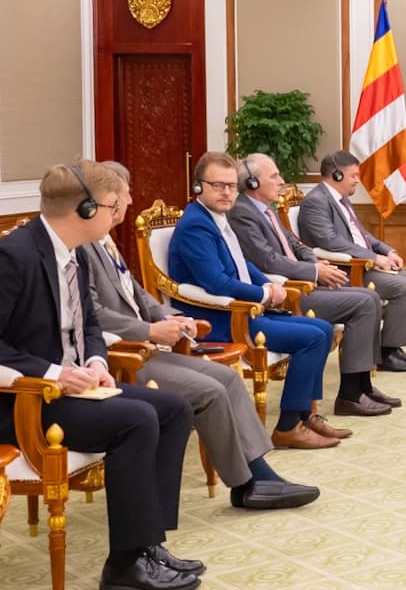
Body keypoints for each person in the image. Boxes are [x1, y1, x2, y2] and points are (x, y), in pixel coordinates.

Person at [0, 161, 199, 590]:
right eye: (113, 205)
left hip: (67, 390)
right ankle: (125, 564)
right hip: (12, 403)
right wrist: (54, 373)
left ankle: (148, 544)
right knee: (136, 420)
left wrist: (97, 361)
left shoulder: (76, 251)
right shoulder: (8, 259)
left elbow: (89, 324)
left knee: (173, 409)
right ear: (85, 209)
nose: (118, 213)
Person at [82, 163, 318, 510]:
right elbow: (94, 313)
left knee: (228, 378)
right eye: (126, 194)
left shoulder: (105, 242)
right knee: (211, 390)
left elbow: (137, 293)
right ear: (105, 200)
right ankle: (247, 484)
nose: (131, 201)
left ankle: (261, 476)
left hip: (151, 343)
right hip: (123, 354)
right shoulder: (83, 247)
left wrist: (168, 316)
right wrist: (150, 329)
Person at [168, 152, 340, 451]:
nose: (226, 192)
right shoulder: (196, 225)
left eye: (231, 186)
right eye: (218, 185)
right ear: (198, 186)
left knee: (323, 329)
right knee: (312, 338)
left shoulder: (216, 218)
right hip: (221, 320)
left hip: (247, 311)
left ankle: (305, 416)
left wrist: (269, 284)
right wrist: (263, 294)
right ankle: (288, 427)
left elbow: (242, 264)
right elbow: (216, 282)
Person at [231, 153, 400, 419]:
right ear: (252, 182)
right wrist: (314, 271)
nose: (281, 181)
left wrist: (315, 264)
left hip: (305, 282)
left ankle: (362, 387)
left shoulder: (266, 209)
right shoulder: (242, 213)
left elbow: (297, 245)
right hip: (287, 292)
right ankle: (350, 395)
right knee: (364, 303)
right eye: (274, 176)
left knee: (369, 298)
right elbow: (267, 260)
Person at [296, 150, 406, 373]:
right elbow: (330, 241)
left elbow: (361, 234)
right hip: (346, 270)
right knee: (403, 287)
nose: (358, 180)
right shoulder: (316, 202)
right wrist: (374, 258)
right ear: (337, 175)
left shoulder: (341, 199)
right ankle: (386, 354)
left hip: (363, 264)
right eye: (353, 175)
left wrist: (387, 251)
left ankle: (393, 347)